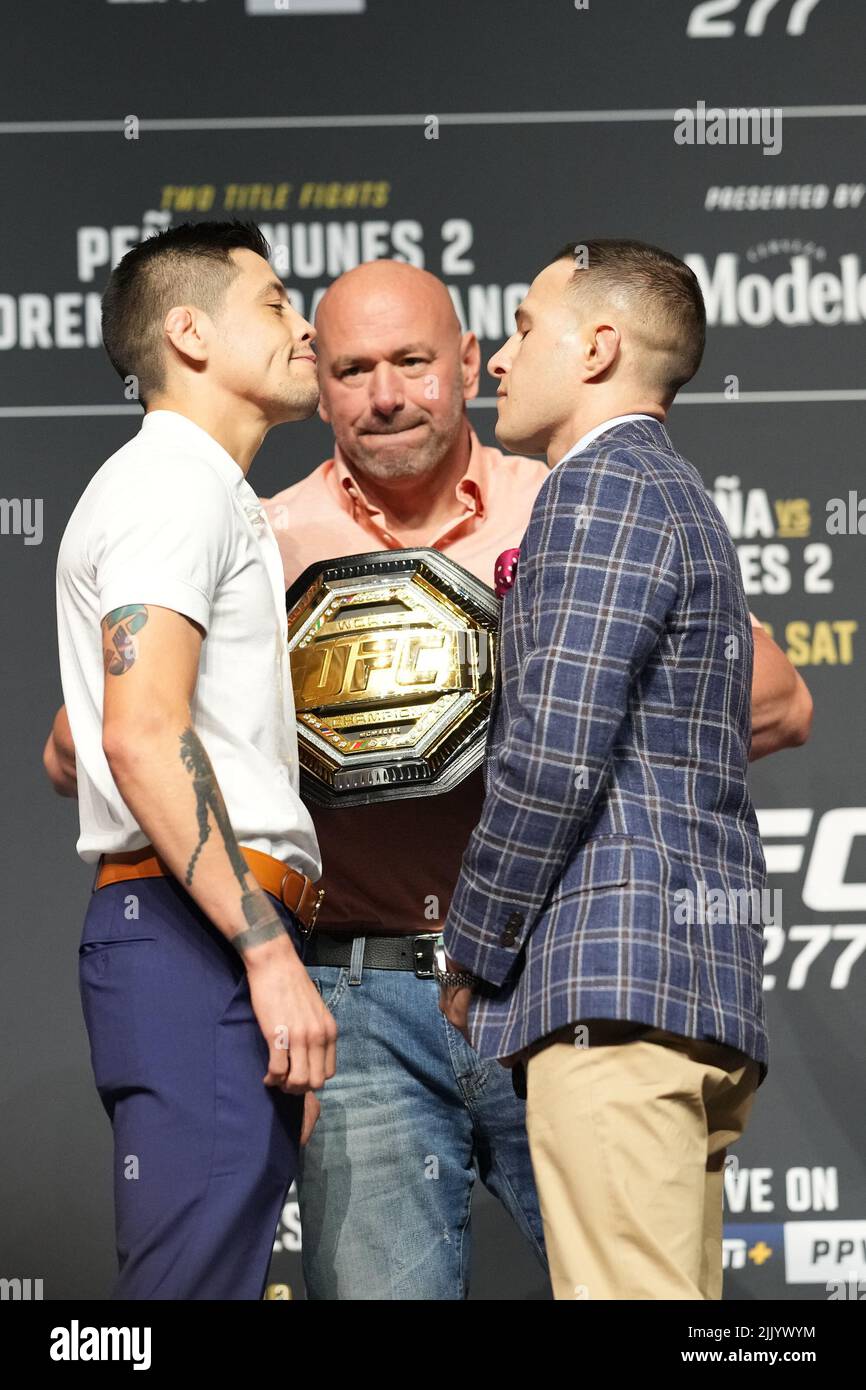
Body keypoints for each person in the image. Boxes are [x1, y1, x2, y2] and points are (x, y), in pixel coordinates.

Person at [46, 257, 811, 1302]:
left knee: (636, 1288)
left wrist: (539, 703)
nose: (386, 395)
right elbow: (90, 737)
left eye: (412, 361)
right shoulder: (260, 533)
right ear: (319, 384)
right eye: (353, 369)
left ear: (463, 362)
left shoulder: (560, 501)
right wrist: (298, 721)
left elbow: (770, 700)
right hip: (353, 996)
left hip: (540, 981)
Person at [438, 239, 785, 1301]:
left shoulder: (598, 492)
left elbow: (549, 756)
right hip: (683, 996)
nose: (496, 360)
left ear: (595, 348)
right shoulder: (675, 494)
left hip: (614, 994)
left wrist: (471, 945)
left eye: (523, 329)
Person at [49, 220, 336, 1300]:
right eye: (271, 300)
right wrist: (264, 956)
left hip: (194, 931)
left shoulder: (195, 492)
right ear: (188, 332)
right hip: (199, 937)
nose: (301, 321)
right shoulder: (171, 485)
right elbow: (132, 731)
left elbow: (80, 734)